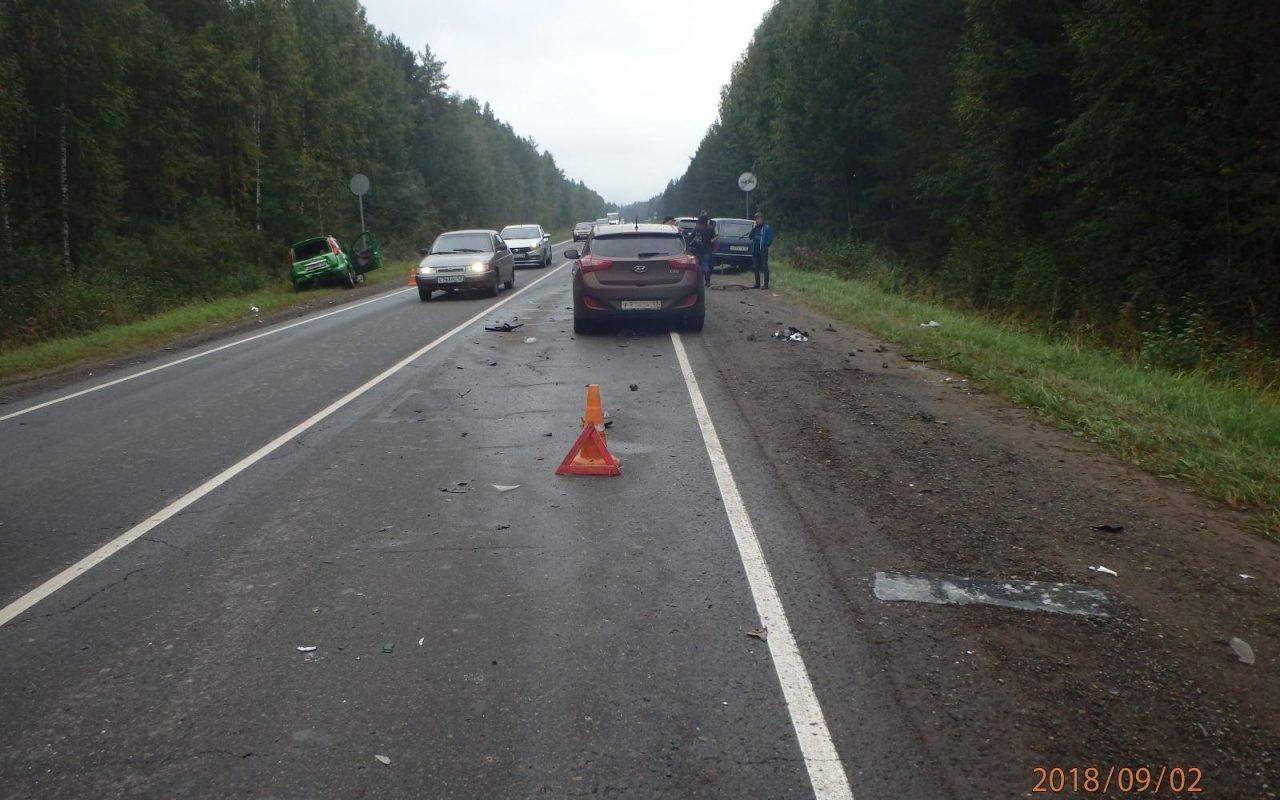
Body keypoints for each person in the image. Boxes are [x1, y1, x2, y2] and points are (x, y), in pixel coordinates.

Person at [690, 213, 716, 287]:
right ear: (706, 220)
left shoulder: (697, 228)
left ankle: (697, 281)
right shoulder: (710, 228)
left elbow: (691, 237)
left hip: (696, 249)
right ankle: (707, 282)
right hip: (707, 249)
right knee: (705, 264)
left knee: (698, 265)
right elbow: (713, 238)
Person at [749, 210, 773, 289]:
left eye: (759, 219)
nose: (757, 220)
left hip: (763, 250)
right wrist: (753, 229)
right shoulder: (755, 228)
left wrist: (765, 247)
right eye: (756, 219)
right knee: (756, 267)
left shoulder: (766, 228)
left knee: (764, 267)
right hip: (755, 250)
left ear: (762, 219)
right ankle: (757, 284)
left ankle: (766, 285)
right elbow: (750, 237)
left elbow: (769, 239)